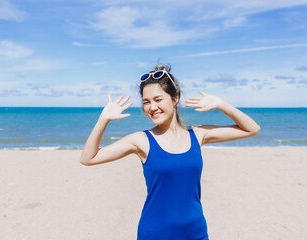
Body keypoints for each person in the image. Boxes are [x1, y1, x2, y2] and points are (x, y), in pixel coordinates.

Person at [79, 64, 261, 240]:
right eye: (146, 102)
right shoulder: (141, 141)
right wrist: (104, 119)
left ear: (175, 99)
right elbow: (88, 158)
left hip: (195, 232)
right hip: (156, 234)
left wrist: (221, 104)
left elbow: (251, 129)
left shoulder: (198, 135)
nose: (152, 107)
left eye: (158, 100)